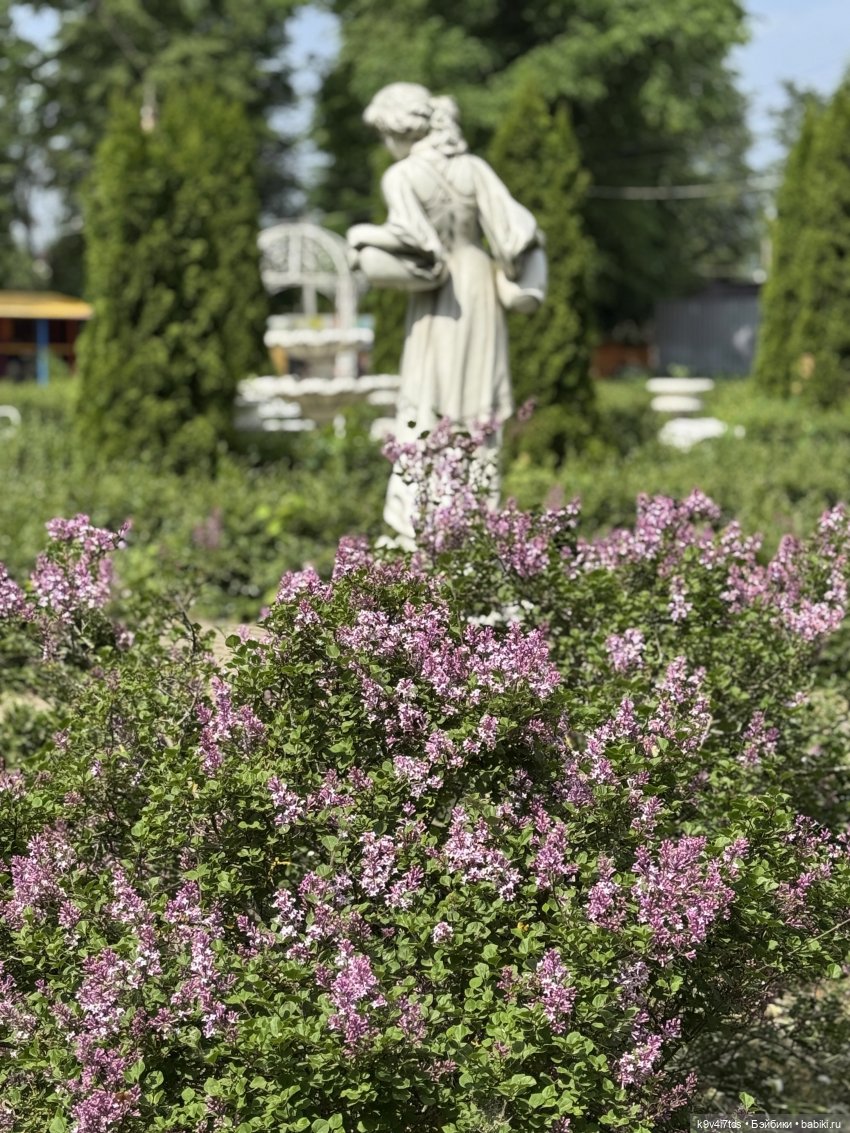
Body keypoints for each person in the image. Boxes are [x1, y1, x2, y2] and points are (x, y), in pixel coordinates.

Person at [347, 82, 546, 544]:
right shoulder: (474, 168)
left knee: (427, 399)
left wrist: (363, 237)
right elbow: (516, 232)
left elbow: (421, 249)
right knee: (476, 406)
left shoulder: (401, 176)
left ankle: (419, 526)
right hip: (478, 286)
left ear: (398, 128)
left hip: (440, 297)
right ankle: (474, 522)